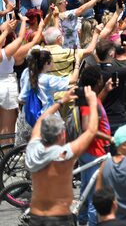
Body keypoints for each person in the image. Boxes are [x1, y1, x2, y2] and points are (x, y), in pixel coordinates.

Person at [26, 87, 99, 226]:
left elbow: (40, 120)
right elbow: (91, 131)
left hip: (36, 218)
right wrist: (93, 103)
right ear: (62, 135)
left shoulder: (32, 150)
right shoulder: (64, 154)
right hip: (59, 218)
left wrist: (61, 101)